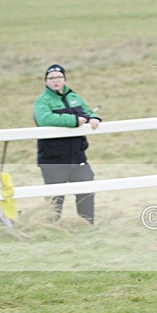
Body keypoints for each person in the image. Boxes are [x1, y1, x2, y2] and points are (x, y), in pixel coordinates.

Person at [33, 64, 101, 223]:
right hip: (53, 158)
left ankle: (87, 225)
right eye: (51, 78)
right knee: (55, 198)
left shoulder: (74, 97)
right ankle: (50, 228)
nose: (55, 81)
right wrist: (73, 120)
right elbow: (44, 120)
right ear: (45, 81)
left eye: (58, 77)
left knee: (87, 190)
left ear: (64, 79)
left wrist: (94, 118)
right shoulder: (42, 101)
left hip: (77, 156)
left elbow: (87, 111)